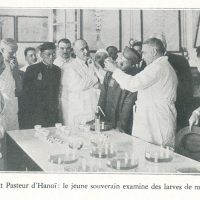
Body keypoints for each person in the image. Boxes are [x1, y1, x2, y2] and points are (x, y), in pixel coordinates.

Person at [105, 38, 178, 147]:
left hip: (156, 119)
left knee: (155, 154)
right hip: (155, 117)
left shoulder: (157, 67)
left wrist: (115, 70)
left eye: (144, 52)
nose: (142, 57)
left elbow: (133, 84)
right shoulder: (162, 66)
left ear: (153, 52)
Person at [152, 33, 193, 131]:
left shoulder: (179, 60)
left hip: (176, 106)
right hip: (155, 110)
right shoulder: (148, 62)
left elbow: (187, 87)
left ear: (164, 45)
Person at [98, 46, 141, 134]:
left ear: (133, 65)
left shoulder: (134, 78)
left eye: (125, 62)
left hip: (123, 121)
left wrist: (121, 126)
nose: (120, 62)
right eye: (121, 58)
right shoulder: (110, 73)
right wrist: (99, 116)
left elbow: (128, 105)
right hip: (107, 117)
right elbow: (103, 96)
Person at [61, 39, 99, 127]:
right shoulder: (69, 67)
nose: (86, 51)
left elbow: (99, 84)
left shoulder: (90, 64)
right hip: (79, 110)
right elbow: (80, 86)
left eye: (86, 48)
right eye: (82, 49)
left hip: (92, 107)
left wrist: (93, 68)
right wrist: (93, 79)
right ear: (74, 51)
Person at [23, 42, 61, 128]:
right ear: (41, 55)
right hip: (37, 112)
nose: (52, 57)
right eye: (48, 54)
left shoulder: (57, 70)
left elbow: (56, 91)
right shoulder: (32, 69)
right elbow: (26, 93)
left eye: (54, 54)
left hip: (52, 111)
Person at [0, 38, 21, 130]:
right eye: (11, 53)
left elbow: (16, 81)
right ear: (2, 50)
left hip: (12, 98)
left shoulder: (13, 62)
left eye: (15, 53)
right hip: (2, 99)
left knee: (13, 127)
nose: (13, 55)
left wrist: (14, 70)